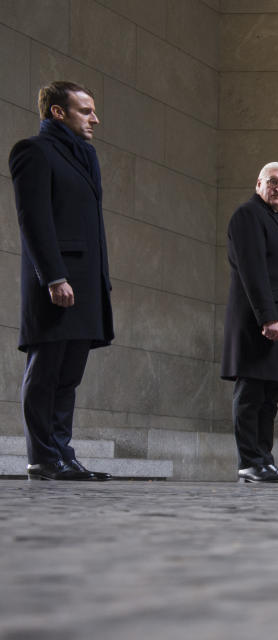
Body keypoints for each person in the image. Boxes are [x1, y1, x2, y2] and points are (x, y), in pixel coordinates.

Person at [9, 81, 114, 481]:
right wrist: (54, 277)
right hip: (56, 282)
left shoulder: (85, 155)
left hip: (86, 283)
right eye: (86, 111)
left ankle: (62, 453)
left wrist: (100, 280)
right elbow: (33, 220)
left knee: (69, 376)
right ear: (58, 112)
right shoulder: (33, 152)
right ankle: (41, 457)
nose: (95, 119)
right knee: (46, 371)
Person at [221, 162, 278, 483]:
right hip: (258, 321)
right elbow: (252, 269)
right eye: (274, 182)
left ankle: (264, 460)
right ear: (259, 182)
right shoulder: (248, 214)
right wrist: (268, 316)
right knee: (252, 394)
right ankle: (249, 462)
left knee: (270, 397)